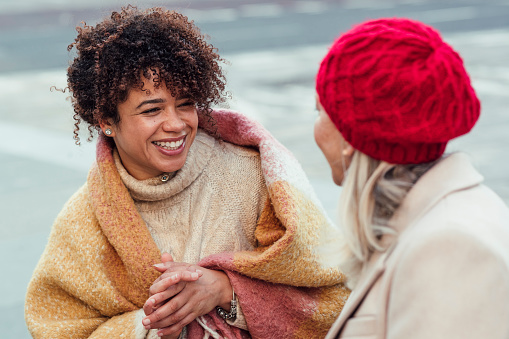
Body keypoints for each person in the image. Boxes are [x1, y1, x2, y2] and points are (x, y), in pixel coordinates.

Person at [24, 6, 350, 339]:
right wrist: (151, 325)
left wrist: (226, 291)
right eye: (152, 109)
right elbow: (57, 325)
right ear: (106, 121)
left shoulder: (255, 178)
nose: (177, 124)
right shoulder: (81, 221)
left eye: (185, 103)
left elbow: (336, 299)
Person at [313, 18, 509, 339]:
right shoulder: (434, 219)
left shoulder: (448, 247)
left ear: (351, 137)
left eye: (319, 111)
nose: (317, 129)